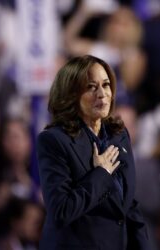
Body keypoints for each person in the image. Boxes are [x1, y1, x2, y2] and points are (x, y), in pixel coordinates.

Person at [36, 55, 150, 250]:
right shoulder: (54, 140)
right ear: (71, 94)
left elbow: (127, 204)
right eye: (91, 87)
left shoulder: (118, 135)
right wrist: (101, 174)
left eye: (106, 85)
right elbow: (61, 210)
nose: (102, 94)